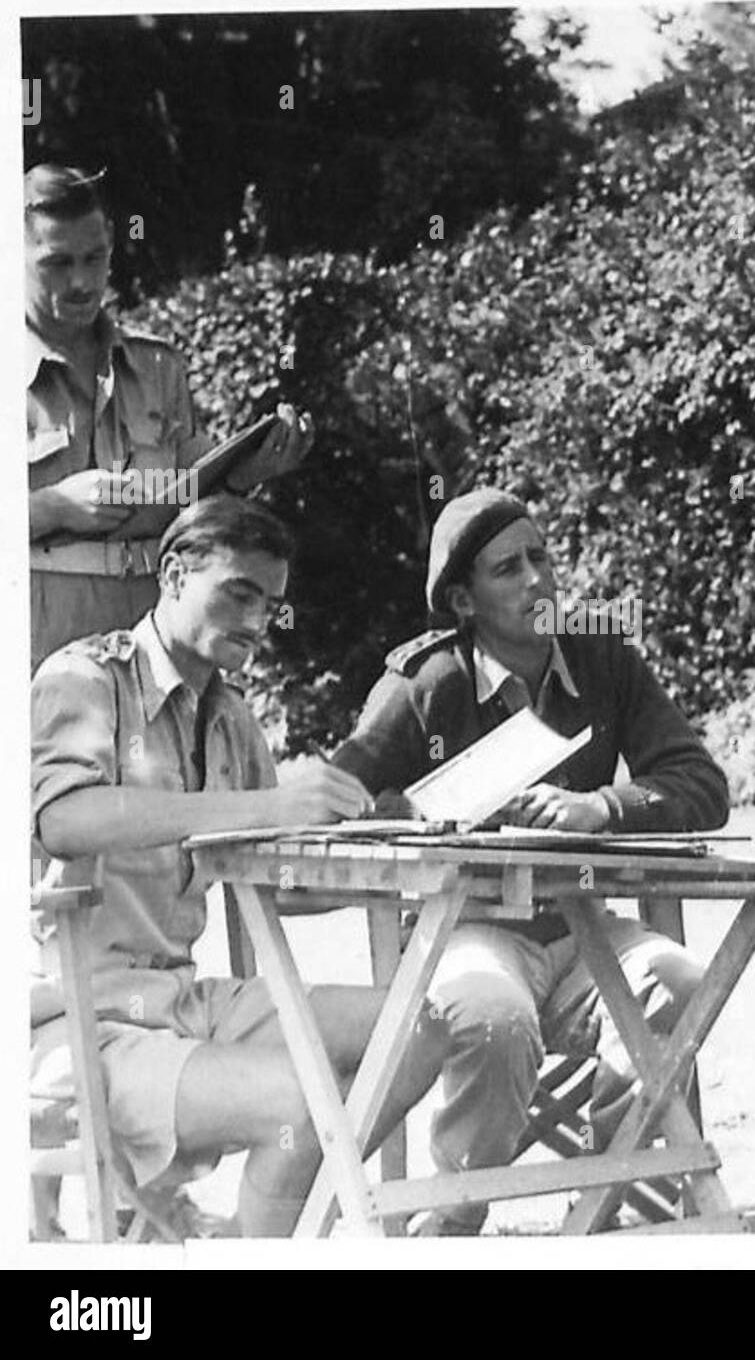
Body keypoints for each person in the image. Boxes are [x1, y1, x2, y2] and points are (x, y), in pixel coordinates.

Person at [30, 496, 437, 1238]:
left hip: (181, 999)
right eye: (238, 594)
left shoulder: (229, 717)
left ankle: (260, 1237)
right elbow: (63, 820)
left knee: (419, 1027)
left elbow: (270, 875)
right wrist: (263, 807)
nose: (256, 623)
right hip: (71, 1020)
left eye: (271, 604)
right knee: (297, 1102)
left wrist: (398, 845)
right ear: (174, 573)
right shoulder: (84, 679)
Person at [331, 488, 730, 1233]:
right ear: (462, 598)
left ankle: (623, 1211)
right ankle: (450, 1218)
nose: (537, 580)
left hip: (583, 934)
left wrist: (602, 808)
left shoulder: (602, 658)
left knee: (678, 983)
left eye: (542, 556)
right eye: (507, 568)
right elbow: (340, 797)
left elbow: (702, 785)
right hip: (466, 933)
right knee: (492, 1016)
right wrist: (416, 816)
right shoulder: (425, 683)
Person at [26, 163, 313, 670]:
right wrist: (52, 507)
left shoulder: (157, 366)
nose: (81, 281)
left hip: (154, 642)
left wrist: (247, 475)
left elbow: (191, 511)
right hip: (38, 642)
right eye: (57, 263)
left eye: (95, 259)